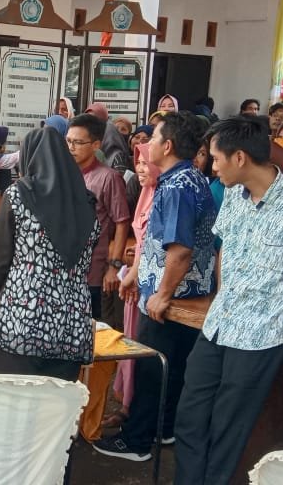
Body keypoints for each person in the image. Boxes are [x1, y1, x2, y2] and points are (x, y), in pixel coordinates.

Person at [174, 116, 283, 485]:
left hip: (260, 336)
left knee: (228, 429)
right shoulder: (233, 195)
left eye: (217, 159)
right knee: (190, 417)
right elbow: (225, 250)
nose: (213, 168)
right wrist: (223, 295)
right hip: (219, 325)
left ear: (240, 158)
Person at [96, 112, 217, 462]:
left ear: (168, 146)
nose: (147, 144)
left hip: (172, 297)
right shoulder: (187, 178)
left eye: (154, 138)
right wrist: (137, 271)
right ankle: (164, 429)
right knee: (173, 368)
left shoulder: (177, 187)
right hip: (181, 292)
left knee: (152, 369)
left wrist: (162, 294)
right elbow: (157, 241)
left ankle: (137, 441)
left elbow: (179, 251)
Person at [0, 127, 98, 483]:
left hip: (21, 322)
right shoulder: (87, 201)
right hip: (72, 326)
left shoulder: (19, 194)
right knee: (57, 426)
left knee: (12, 420)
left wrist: (4, 298)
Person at [113, 142, 159, 423]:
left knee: (140, 348)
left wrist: (133, 271)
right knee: (131, 342)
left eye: (146, 163)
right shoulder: (147, 193)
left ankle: (133, 413)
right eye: (138, 162)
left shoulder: (161, 195)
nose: (140, 168)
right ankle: (126, 407)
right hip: (136, 279)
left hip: (147, 285)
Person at [67, 114, 130, 320]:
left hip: (94, 271)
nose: (71, 147)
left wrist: (114, 266)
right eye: (68, 141)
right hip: (65, 270)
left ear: (96, 145)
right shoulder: (65, 175)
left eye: (78, 142)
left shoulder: (109, 178)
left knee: (93, 328)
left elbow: (122, 223)